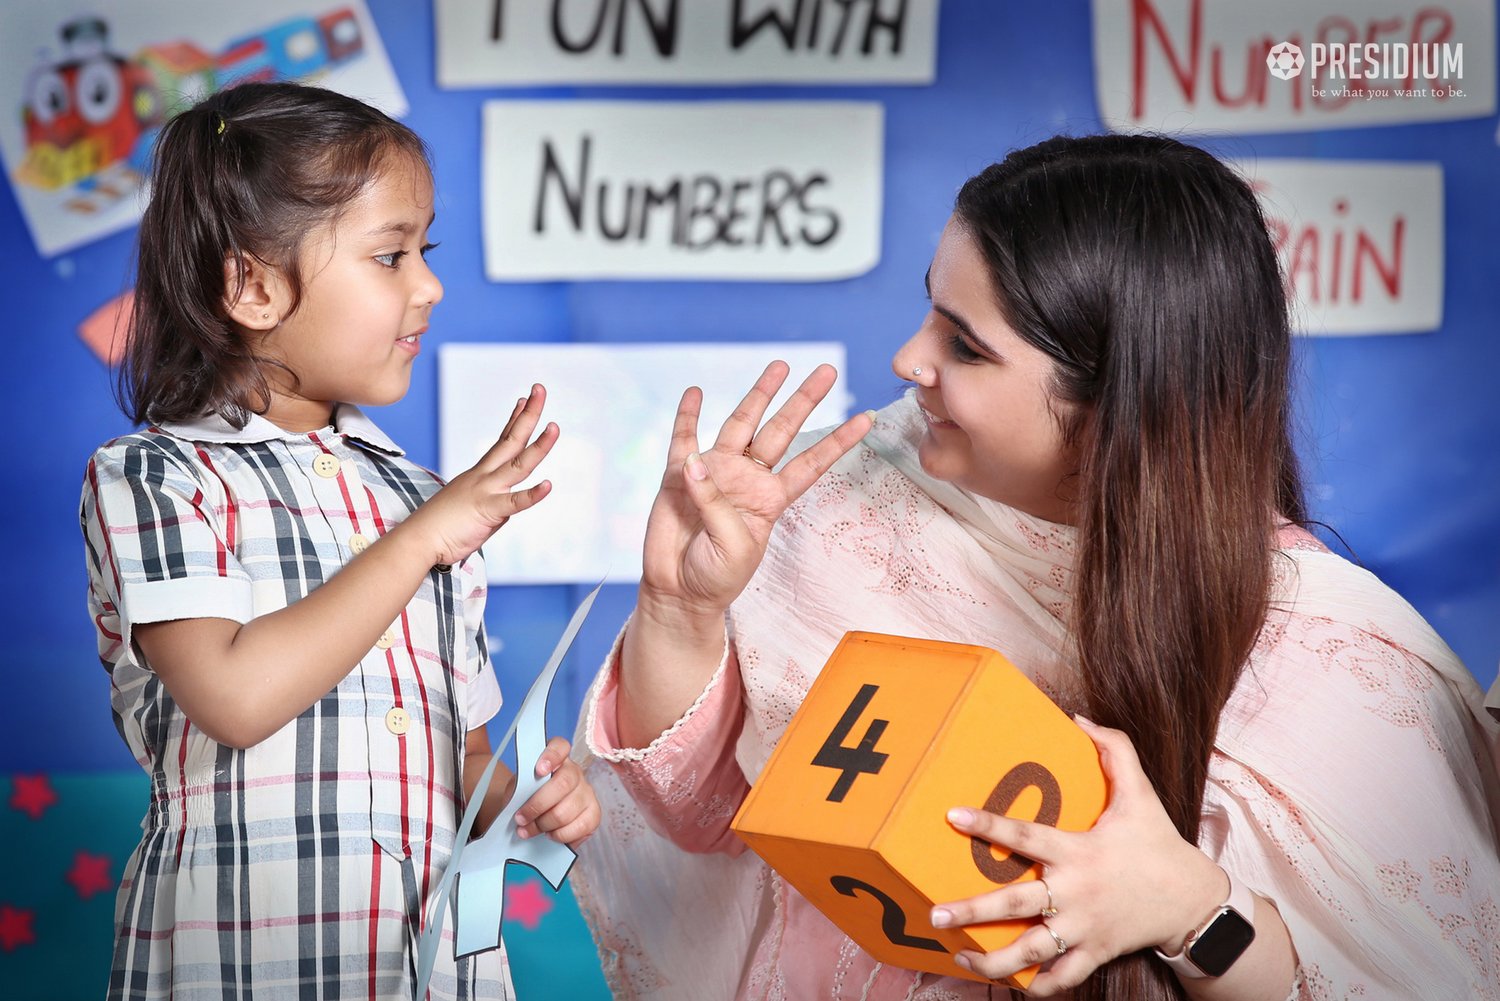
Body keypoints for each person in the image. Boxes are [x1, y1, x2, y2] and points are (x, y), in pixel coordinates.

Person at [570, 134, 1500, 1000]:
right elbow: (695, 822)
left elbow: (1400, 975)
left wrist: (1189, 912)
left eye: (965, 345)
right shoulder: (830, 500)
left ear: (1124, 403)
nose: (906, 360)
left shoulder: (1332, 658)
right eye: (929, 309)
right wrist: (678, 614)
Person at [79, 82, 599, 1001]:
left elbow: (461, 761)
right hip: (235, 968)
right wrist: (422, 541)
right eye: (391, 256)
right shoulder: (156, 479)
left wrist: (524, 805)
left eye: (424, 251)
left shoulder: (422, 497)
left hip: (434, 973)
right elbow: (235, 696)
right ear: (253, 286)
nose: (429, 285)